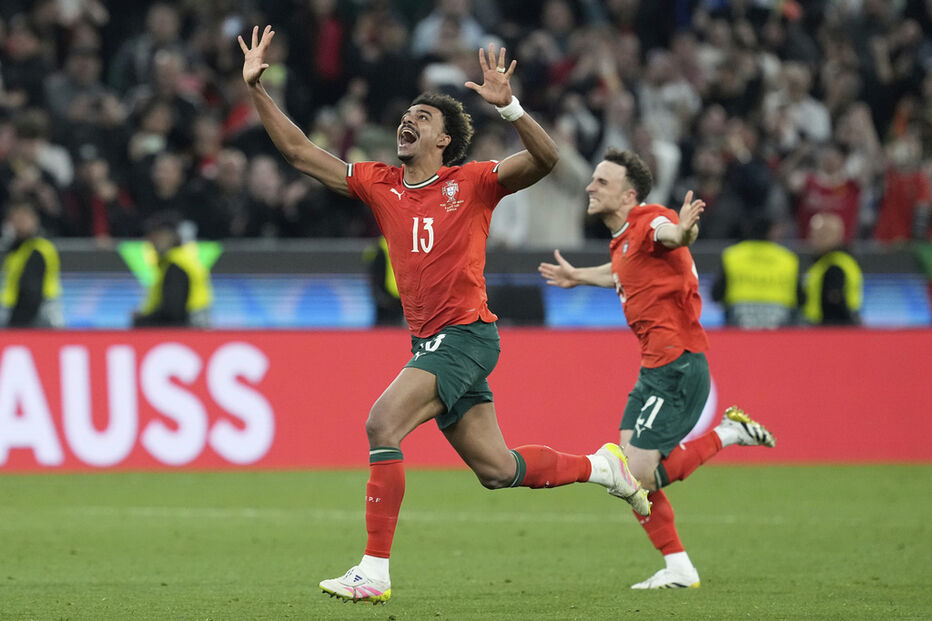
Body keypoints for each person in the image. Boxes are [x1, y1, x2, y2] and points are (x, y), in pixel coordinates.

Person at [238, 25, 649, 604]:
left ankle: (373, 572)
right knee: (498, 470)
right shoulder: (380, 185)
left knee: (382, 423)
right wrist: (258, 90)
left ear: (444, 141)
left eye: (424, 118)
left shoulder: (473, 183)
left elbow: (548, 159)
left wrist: (510, 107)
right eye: (408, 114)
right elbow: (301, 153)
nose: (409, 121)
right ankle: (603, 468)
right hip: (431, 343)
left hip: (466, 336)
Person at [538, 149, 776, 589]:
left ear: (629, 195)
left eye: (602, 182)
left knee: (635, 476)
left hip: (679, 367)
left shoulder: (650, 221)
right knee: (629, 479)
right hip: (653, 369)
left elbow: (671, 235)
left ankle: (728, 432)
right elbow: (619, 270)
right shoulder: (626, 238)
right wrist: (578, 276)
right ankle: (679, 567)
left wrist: (685, 230)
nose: (590, 187)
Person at [711, 215, 804, 329]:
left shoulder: (732, 255)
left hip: (738, 322)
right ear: (772, 231)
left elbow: (716, 294)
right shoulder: (788, 258)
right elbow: (801, 298)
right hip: (781, 324)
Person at [131, 215, 212, 327]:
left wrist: (143, 321)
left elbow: (173, 311)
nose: (151, 242)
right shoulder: (180, 260)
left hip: (189, 329)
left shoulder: (176, 266)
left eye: (155, 236)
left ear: (169, 237)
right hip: (196, 325)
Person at [0, 199, 64, 328]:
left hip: (38, 317)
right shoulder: (17, 250)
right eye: (15, 221)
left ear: (34, 220)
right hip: (20, 314)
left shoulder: (38, 249)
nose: (18, 225)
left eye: (23, 220)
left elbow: (32, 292)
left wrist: (15, 324)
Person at [803, 212, 863, 326]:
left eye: (821, 235)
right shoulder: (827, 262)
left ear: (836, 235)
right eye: (812, 234)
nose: (814, 239)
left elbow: (835, 301)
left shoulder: (834, 265)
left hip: (830, 328)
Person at [363, 236, 404, 326]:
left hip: (386, 293)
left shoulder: (379, 245)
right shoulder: (407, 244)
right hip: (399, 294)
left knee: (384, 327)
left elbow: (372, 271)